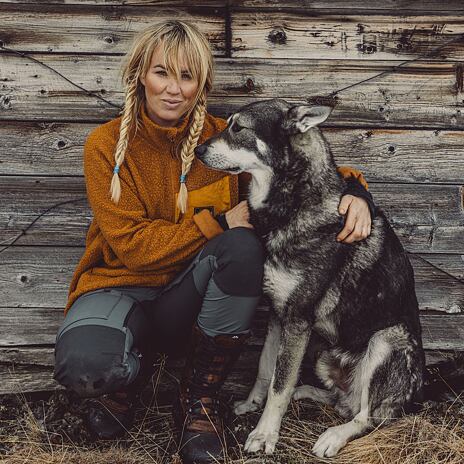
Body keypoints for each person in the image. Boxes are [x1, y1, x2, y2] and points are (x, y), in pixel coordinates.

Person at [53, 19, 375, 464]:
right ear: (139, 75)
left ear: (200, 85)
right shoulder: (105, 146)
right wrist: (218, 222)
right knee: (86, 366)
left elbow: (297, 168)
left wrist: (356, 193)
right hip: (119, 285)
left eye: (187, 77)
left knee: (242, 250)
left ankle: (198, 402)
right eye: (162, 72)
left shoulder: (227, 140)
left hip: (189, 293)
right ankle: (126, 384)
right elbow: (132, 246)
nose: (173, 89)